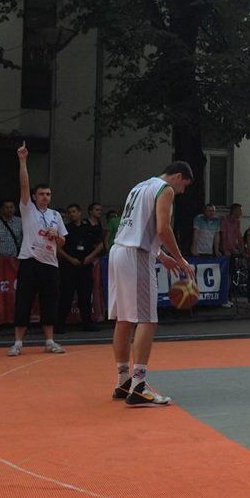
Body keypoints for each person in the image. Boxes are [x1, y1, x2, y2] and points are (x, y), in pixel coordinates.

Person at [109, 161, 195, 407]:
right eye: (184, 185)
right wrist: (180, 258)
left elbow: (137, 227)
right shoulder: (164, 189)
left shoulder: (138, 187)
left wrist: (161, 256)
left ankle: (123, 380)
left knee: (124, 319)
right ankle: (139, 385)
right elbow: (163, 229)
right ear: (178, 176)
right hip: (137, 255)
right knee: (147, 319)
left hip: (118, 251)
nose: (182, 191)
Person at [8, 142, 68, 356]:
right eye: (41, 194)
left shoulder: (56, 215)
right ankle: (18, 343)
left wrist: (56, 236)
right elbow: (24, 185)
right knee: (23, 301)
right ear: (34, 196)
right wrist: (23, 160)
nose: (45, 197)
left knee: (49, 302)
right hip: (30, 261)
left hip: (50, 263)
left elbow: (63, 242)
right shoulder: (28, 209)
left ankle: (50, 341)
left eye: (48, 194)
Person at [56, 203, 103, 333]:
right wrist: (70, 259)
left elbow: (100, 245)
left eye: (74, 211)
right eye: (69, 212)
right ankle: (60, 324)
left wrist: (90, 257)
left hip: (85, 266)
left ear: (80, 212)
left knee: (85, 296)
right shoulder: (65, 229)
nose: (72, 214)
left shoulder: (88, 228)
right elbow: (57, 247)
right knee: (66, 296)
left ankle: (87, 323)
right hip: (69, 267)